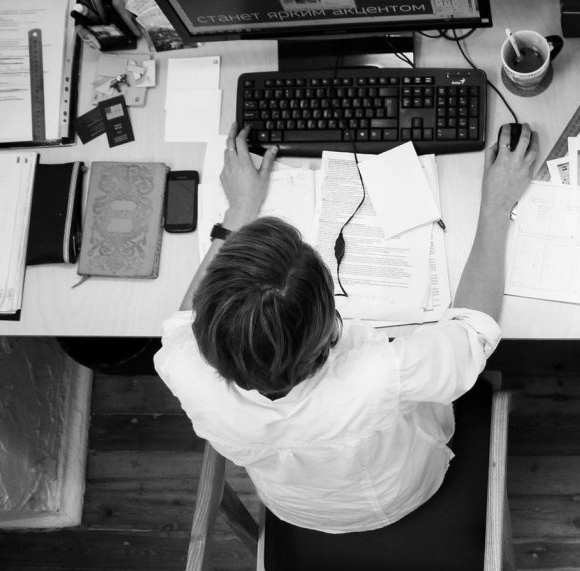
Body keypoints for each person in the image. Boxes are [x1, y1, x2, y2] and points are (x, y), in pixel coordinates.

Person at [154, 122, 538, 534]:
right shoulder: (378, 376)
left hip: (293, 507)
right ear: (328, 324)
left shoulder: (181, 368)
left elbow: (182, 321)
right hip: (400, 493)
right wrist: (497, 206)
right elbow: (473, 332)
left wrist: (237, 213)